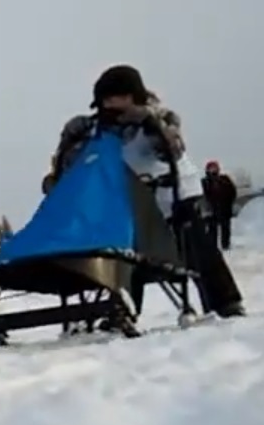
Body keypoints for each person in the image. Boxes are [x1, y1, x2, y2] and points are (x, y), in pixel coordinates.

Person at [50, 64, 244, 320]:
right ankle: (122, 308)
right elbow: (72, 167)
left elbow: (171, 149)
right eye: (103, 102)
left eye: (114, 99)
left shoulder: (160, 118)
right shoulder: (98, 130)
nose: (108, 107)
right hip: (130, 205)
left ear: (131, 96)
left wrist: (149, 123)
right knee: (122, 247)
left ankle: (224, 302)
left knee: (194, 242)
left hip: (173, 197)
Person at [202, 160, 237, 251]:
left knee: (225, 228)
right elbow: (202, 196)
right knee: (212, 230)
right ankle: (212, 248)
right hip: (211, 209)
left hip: (224, 208)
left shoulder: (224, 179)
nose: (212, 170)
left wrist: (229, 203)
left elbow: (232, 192)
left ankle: (226, 245)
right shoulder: (204, 182)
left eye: (214, 168)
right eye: (210, 168)